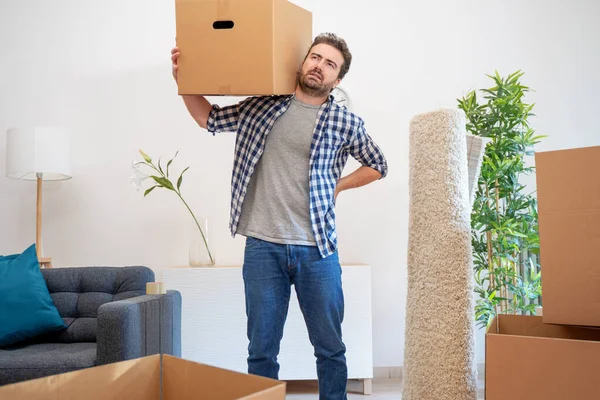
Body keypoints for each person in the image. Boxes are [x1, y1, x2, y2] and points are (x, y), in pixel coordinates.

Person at [171, 33, 387, 400]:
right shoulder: (263, 106)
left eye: (330, 64)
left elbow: (378, 165)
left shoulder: (344, 121)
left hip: (317, 250)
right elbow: (208, 118)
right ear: (303, 63)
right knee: (261, 351)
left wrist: (337, 185)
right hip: (262, 248)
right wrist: (182, 80)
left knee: (330, 349)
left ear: (338, 79)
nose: (319, 65)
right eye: (315, 57)